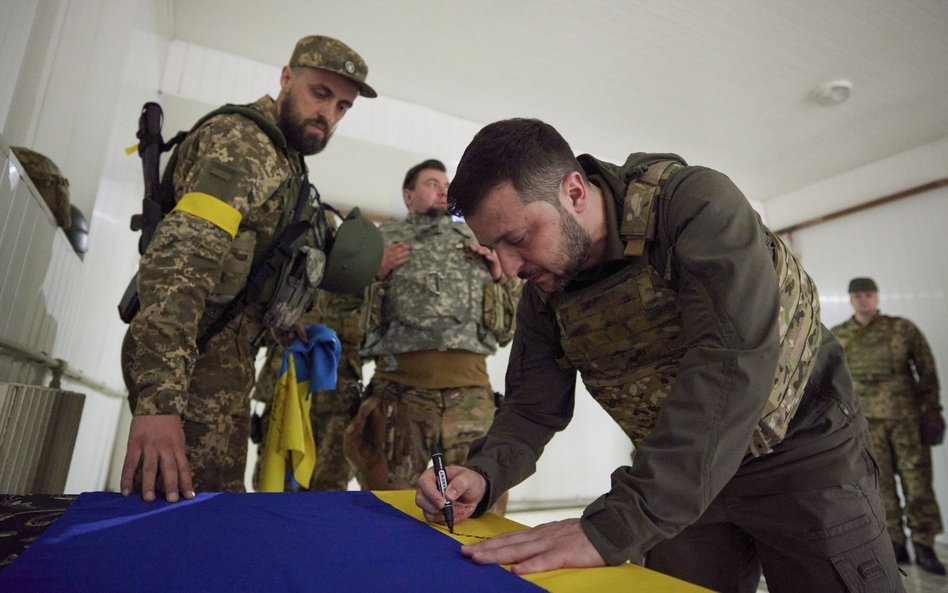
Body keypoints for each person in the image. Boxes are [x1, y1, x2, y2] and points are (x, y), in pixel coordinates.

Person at [415, 118, 905, 592]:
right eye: (493, 247)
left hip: (804, 460)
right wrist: (483, 474)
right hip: (679, 481)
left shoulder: (693, 206)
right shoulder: (545, 289)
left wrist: (610, 527)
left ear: (575, 192)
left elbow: (730, 366)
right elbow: (530, 407)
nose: (508, 266)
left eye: (517, 240)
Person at [120, 35, 376, 503]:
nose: (329, 115)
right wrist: (159, 405)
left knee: (209, 516)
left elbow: (245, 260)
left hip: (224, 365)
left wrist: (279, 322)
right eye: (320, 93)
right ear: (286, 78)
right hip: (193, 370)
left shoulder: (284, 158)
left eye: (343, 107)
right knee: (179, 525)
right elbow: (181, 264)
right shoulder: (246, 142)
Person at [346, 159, 519, 506]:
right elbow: (349, 322)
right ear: (408, 195)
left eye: (445, 184)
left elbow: (508, 328)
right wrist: (375, 273)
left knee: (479, 502)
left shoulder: (480, 239)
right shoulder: (379, 241)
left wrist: (502, 275)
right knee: (388, 501)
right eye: (431, 184)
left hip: (470, 396)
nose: (442, 191)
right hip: (401, 394)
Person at [832, 277, 946, 575]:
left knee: (917, 483)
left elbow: (927, 371)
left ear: (877, 297)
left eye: (868, 294)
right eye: (858, 295)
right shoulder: (839, 335)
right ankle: (894, 545)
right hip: (865, 424)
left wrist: (932, 409)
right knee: (879, 486)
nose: (863, 299)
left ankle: (925, 545)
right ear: (851, 299)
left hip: (905, 421)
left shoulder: (902, 329)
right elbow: (832, 381)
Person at [251, 282, 367, 492]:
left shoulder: (367, 266)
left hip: (339, 402)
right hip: (287, 395)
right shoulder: (293, 260)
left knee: (329, 491)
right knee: (277, 488)